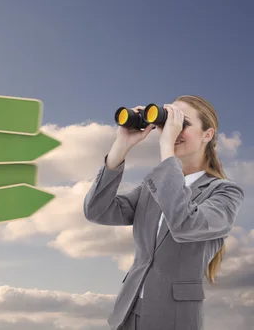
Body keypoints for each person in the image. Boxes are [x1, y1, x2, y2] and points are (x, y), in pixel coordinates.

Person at [83, 95, 244, 330]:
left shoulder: (224, 193)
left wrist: (166, 147)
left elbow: (185, 224)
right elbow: (97, 211)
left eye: (183, 124)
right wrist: (121, 147)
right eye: (169, 122)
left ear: (207, 135)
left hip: (174, 317)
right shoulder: (153, 187)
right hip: (127, 312)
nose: (173, 129)